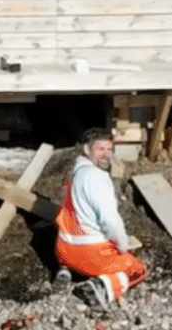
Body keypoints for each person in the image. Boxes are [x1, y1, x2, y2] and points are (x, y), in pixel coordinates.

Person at [54, 128, 147, 310]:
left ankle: (65, 270)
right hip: (88, 251)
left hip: (63, 248)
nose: (106, 155)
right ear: (87, 150)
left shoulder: (75, 171)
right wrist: (122, 245)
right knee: (138, 269)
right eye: (100, 149)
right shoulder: (96, 177)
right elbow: (109, 220)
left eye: (109, 150)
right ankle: (101, 287)